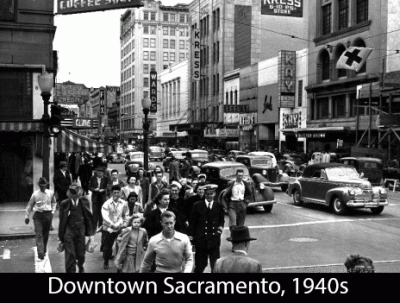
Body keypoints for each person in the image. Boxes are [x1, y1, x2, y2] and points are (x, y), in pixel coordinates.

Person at [58, 183, 95, 273]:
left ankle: (81, 266)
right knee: (70, 254)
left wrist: (90, 235)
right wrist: (61, 237)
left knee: (81, 254)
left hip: (80, 230)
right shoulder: (64, 204)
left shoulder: (84, 202)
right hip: (69, 231)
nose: (74, 197)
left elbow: (88, 218)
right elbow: (62, 221)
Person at [189, 184, 225, 273]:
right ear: (205, 194)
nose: (209, 196)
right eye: (207, 194)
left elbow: (221, 221)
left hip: (214, 240)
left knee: (215, 265)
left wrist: (219, 231)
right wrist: (192, 237)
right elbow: (193, 222)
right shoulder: (197, 205)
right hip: (201, 240)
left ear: (214, 194)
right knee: (200, 265)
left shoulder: (218, 206)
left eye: (211, 194)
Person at [24, 177, 57, 262]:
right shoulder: (35, 194)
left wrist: (52, 212)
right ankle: (40, 253)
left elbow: (54, 203)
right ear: (39, 185)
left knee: (45, 234)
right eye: (41, 185)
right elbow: (30, 205)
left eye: (44, 185)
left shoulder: (50, 193)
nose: (43, 187)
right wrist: (27, 216)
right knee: (39, 234)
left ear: (46, 185)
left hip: (48, 215)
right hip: (38, 216)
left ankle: (44, 250)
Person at [101, 185, 129, 269]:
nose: (116, 194)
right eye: (114, 193)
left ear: (120, 193)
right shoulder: (106, 203)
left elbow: (126, 215)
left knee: (121, 245)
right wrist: (111, 224)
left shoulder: (124, 203)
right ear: (111, 193)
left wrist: (124, 223)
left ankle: (119, 262)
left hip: (120, 227)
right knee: (107, 246)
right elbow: (105, 216)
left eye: (118, 192)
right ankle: (106, 261)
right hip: (109, 228)